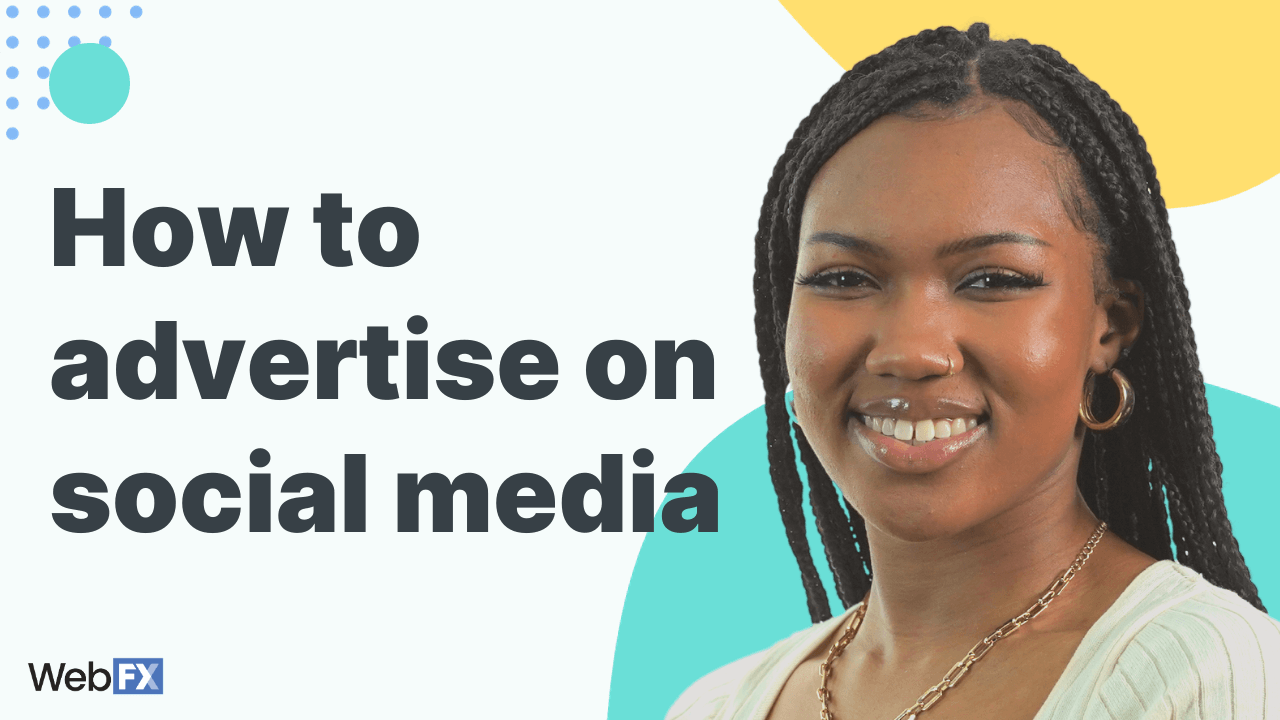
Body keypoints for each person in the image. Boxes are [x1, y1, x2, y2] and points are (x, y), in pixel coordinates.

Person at [667, 22, 1280, 720]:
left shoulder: (1205, 677)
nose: (911, 352)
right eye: (843, 278)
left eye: (992, 280)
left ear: (1109, 327)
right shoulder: (716, 705)